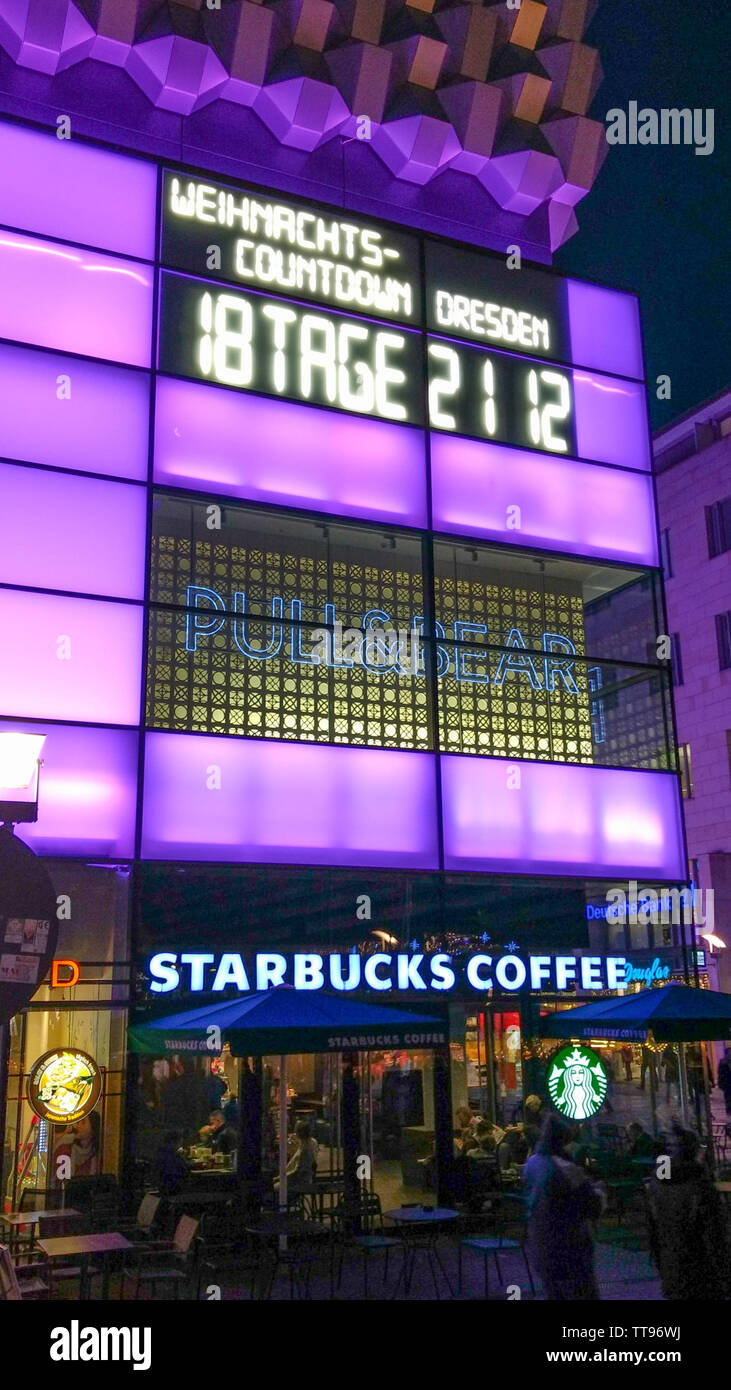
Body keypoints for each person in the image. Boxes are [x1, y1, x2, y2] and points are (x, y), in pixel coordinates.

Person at [522, 1112, 606, 1300]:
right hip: (569, 1245)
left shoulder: (531, 1164)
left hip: (538, 1241)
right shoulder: (565, 1168)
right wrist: (600, 1192)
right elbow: (591, 1204)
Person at [646, 1124, 730, 1300]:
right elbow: (715, 1235)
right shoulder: (700, 1186)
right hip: (702, 1269)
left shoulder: (658, 1185)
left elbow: (653, 1232)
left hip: (671, 1266)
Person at [275, 1121, 318, 1193]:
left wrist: (280, 1178)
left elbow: (297, 1171)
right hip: (303, 1179)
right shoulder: (310, 1143)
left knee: (274, 1188)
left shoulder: (306, 1149)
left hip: (299, 1182)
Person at [154, 1131, 189, 1195]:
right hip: (174, 1187)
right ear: (175, 1142)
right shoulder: (172, 1154)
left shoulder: (163, 1151)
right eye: (180, 1142)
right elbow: (183, 1170)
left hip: (163, 1186)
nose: (180, 1145)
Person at [718, 1047, 731, 1117]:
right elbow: (720, 1073)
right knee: (728, 1099)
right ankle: (729, 1112)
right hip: (727, 1084)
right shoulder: (723, 1063)